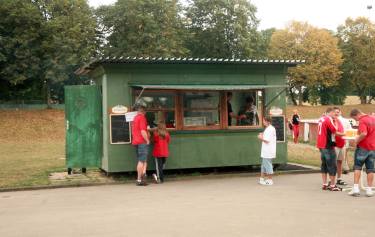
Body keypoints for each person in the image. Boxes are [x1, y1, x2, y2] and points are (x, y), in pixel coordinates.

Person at [348, 109, 375, 197]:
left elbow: (364, 133)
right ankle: (369, 190)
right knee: (370, 169)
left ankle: (356, 188)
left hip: (363, 147)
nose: (356, 121)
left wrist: (355, 141)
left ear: (357, 115)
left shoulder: (362, 120)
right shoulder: (373, 118)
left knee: (358, 167)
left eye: (355, 119)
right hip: (372, 147)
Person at [317, 107, 344, 191]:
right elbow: (334, 131)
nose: (335, 115)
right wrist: (344, 134)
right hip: (327, 145)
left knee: (324, 164)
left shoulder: (321, 119)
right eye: (333, 113)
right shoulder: (329, 119)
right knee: (332, 165)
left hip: (320, 144)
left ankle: (324, 184)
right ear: (330, 112)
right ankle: (332, 185)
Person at [131, 104, 150, 186]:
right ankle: (139, 179)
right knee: (141, 161)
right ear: (143, 111)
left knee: (143, 160)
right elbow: (142, 131)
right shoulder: (142, 118)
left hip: (136, 141)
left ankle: (143, 176)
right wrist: (147, 140)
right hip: (142, 141)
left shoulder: (135, 118)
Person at [257, 116, 277, 185]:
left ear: (267, 121)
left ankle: (270, 180)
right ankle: (262, 179)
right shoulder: (269, 128)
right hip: (266, 151)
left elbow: (267, 140)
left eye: (264, 121)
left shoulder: (270, 129)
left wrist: (260, 137)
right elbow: (267, 137)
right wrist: (262, 134)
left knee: (268, 165)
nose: (263, 122)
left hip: (268, 151)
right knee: (263, 165)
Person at [333, 107, 349, 186]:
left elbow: (349, 130)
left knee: (340, 162)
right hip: (334, 144)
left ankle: (339, 179)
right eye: (335, 112)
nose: (336, 113)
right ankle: (331, 180)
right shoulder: (331, 120)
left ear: (340, 112)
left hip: (342, 144)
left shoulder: (343, 120)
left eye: (338, 112)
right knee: (333, 162)